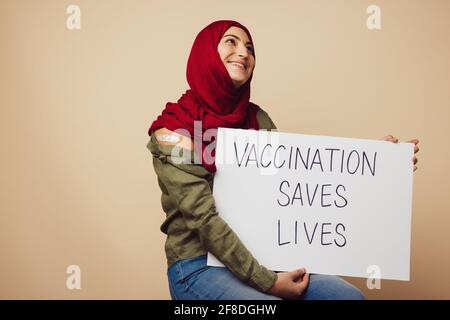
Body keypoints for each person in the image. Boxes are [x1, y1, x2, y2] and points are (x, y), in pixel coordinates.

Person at [146, 20, 420, 300]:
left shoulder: (256, 119)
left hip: (267, 255)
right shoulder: (174, 129)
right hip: (198, 266)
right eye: (231, 41)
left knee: (349, 297)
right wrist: (267, 281)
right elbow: (203, 218)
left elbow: (294, 188)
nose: (243, 53)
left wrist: (378, 166)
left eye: (250, 48)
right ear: (205, 54)